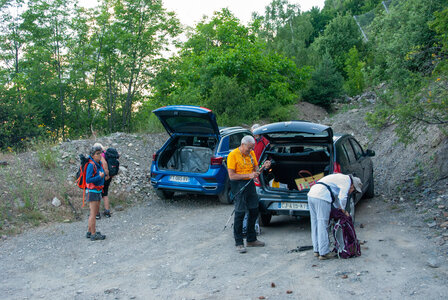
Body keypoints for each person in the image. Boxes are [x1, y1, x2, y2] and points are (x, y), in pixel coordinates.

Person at [227, 135, 271, 253]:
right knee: (240, 213)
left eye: (252, 148)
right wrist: (248, 175)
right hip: (238, 185)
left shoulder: (251, 154)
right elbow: (231, 176)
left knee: (254, 210)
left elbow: (256, 170)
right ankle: (239, 242)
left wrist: (264, 167)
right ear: (243, 145)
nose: (251, 150)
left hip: (250, 184)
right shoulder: (233, 155)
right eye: (249, 148)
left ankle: (251, 239)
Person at [307, 173, 362, 260]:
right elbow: (343, 197)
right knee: (323, 225)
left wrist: (339, 209)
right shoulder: (346, 182)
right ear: (352, 185)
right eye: (353, 190)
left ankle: (316, 250)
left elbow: (336, 199)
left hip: (312, 194)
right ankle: (324, 253)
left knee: (315, 224)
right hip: (322, 197)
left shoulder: (340, 179)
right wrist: (343, 210)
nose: (351, 192)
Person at [85, 144, 106, 241]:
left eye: (100, 153)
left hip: (97, 190)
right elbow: (88, 180)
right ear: (92, 155)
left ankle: (90, 231)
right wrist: (100, 177)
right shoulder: (91, 165)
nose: (100, 155)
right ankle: (93, 234)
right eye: (97, 154)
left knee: (94, 213)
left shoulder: (98, 164)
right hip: (92, 191)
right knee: (93, 214)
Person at [93, 143, 112, 219]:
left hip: (102, 177)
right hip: (107, 177)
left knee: (98, 195)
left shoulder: (100, 155)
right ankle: (107, 212)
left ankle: (97, 214)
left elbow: (104, 163)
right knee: (105, 194)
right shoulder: (105, 153)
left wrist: (105, 174)